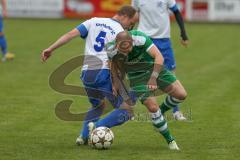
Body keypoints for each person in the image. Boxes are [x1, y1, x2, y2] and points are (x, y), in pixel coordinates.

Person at [41, 6, 137, 145]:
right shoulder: (119, 32)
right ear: (125, 16)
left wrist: (50, 49)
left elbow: (69, 35)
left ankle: (82, 137)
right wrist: (117, 82)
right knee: (127, 111)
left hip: (87, 74)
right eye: (131, 22)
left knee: (97, 106)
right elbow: (117, 60)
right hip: (104, 72)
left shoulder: (93, 21)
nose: (131, 26)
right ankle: (96, 127)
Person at [89, 30, 187, 150]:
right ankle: (170, 140)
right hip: (137, 77)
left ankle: (162, 111)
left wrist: (153, 78)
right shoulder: (110, 48)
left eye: (127, 49)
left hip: (154, 69)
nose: (125, 53)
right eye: (122, 50)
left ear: (132, 42)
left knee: (181, 94)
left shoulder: (141, 39)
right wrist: (115, 83)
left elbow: (159, 57)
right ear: (116, 44)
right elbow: (113, 64)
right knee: (152, 107)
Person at [131, 0, 189, 120]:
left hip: (164, 41)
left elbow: (177, 12)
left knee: (171, 75)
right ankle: (129, 109)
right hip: (144, 40)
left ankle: (175, 111)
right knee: (139, 75)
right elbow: (133, 16)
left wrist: (183, 33)